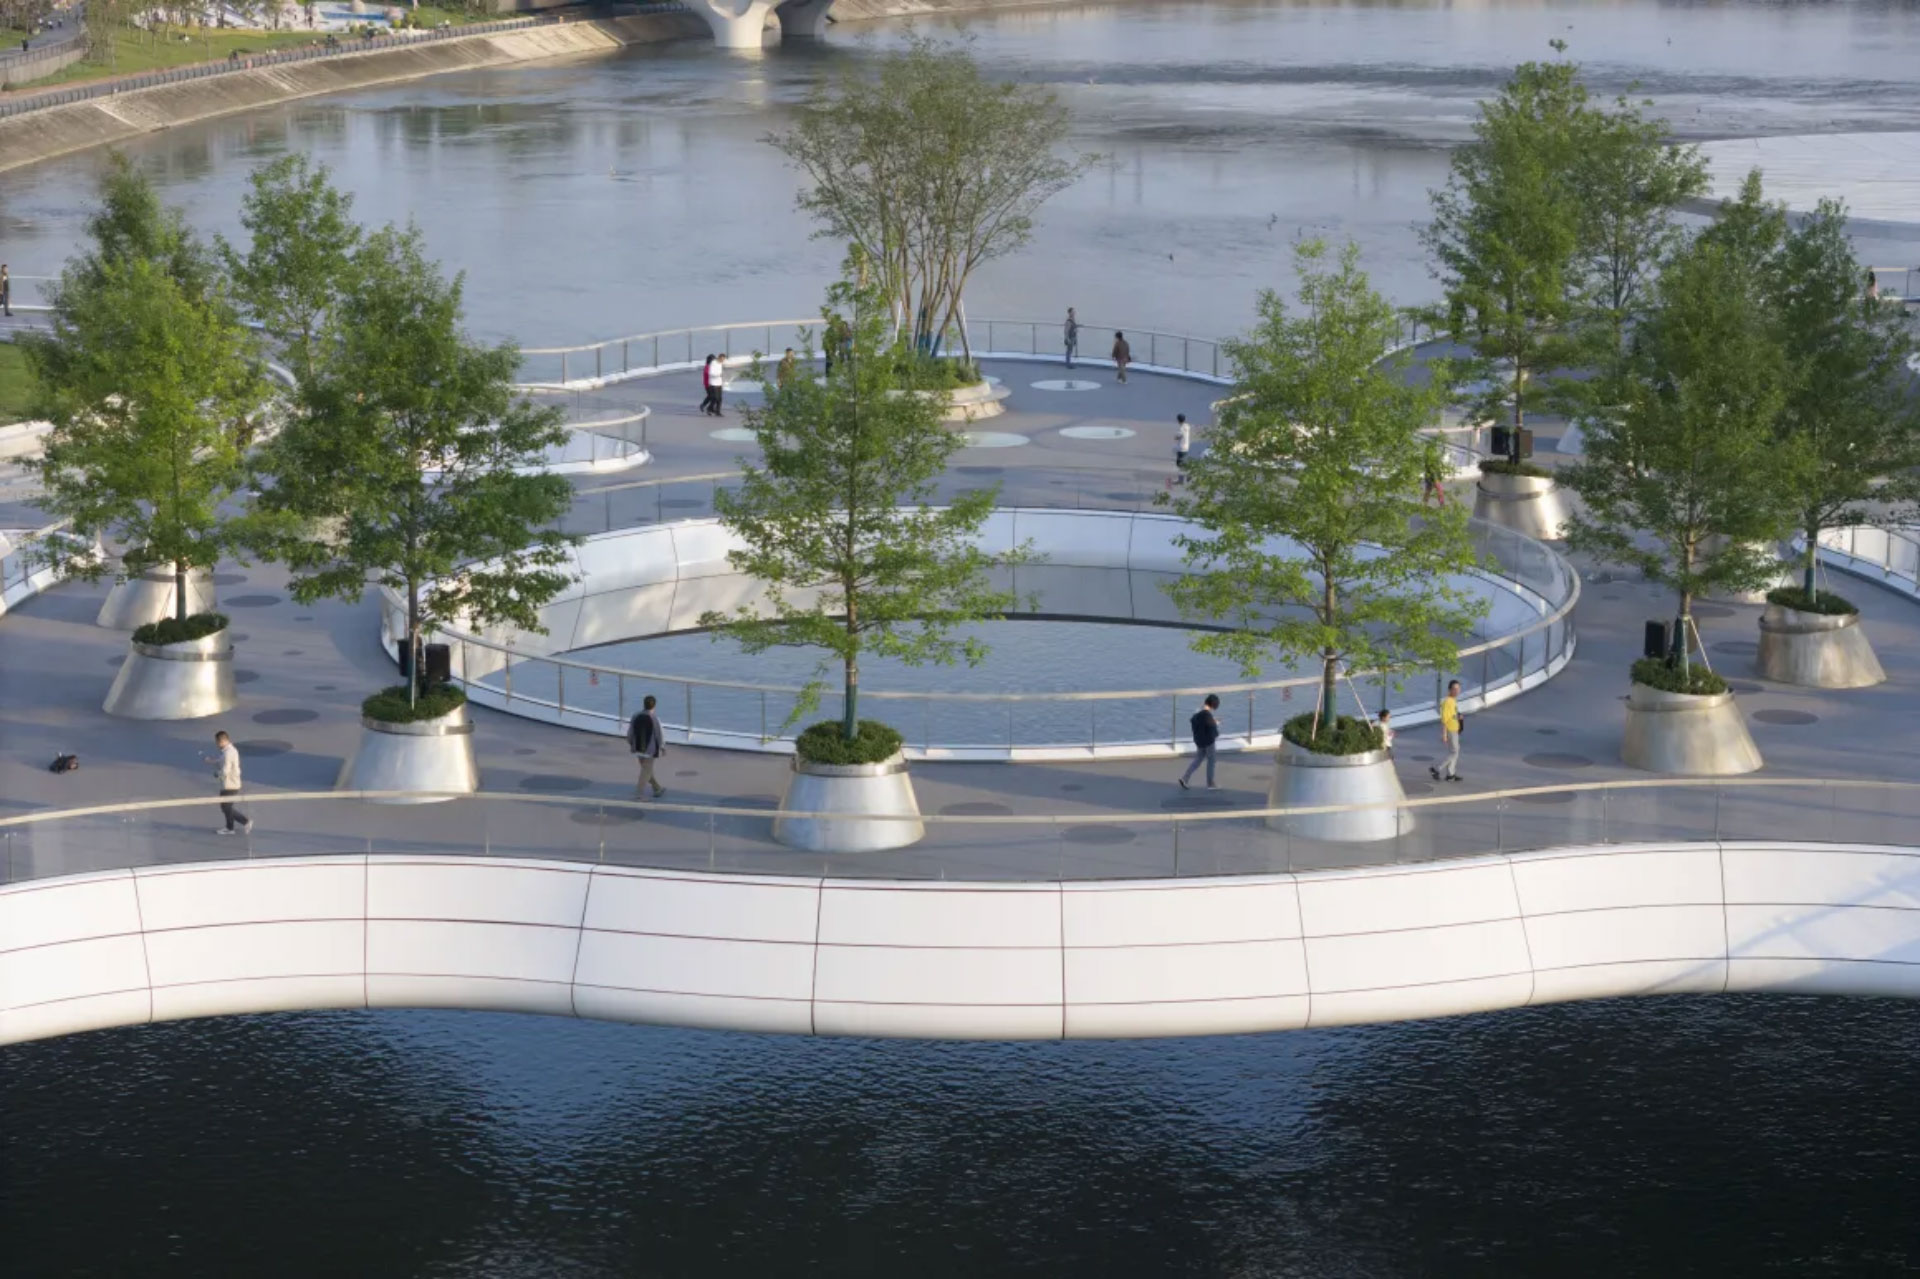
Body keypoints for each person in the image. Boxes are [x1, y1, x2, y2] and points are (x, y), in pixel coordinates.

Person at [204, 731, 252, 834]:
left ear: (222, 741)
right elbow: (222, 761)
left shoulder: (228, 753)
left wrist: (217, 774)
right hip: (231, 784)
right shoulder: (229, 751)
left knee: (226, 807)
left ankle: (236, 826)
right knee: (226, 807)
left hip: (230, 785)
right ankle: (236, 825)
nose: (216, 744)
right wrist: (211, 761)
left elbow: (225, 770)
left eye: (217, 742)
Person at [1177, 693, 1222, 791]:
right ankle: (1210, 784)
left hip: (1199, 741)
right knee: (1211, 761)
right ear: (1213, 705)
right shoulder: (1207, 715)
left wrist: (1212, 721)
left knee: (1197, 760)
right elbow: (1211, 728)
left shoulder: (1198, 713)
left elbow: (1198, 722)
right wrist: (1216, 724)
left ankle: (1185, 778)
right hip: (1208, 742)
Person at [627, 695, 666, 798]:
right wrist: (662, 747)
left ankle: (657, 788)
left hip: (637, 747)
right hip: (650, 750)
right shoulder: (655, 719)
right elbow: (659, 734)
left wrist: (631, 743)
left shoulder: (635, 715)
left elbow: (630, 732)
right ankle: (639, 794)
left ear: (643, 704)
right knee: (646, 771)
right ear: (654, 706)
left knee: (646, 769)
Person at [1431, 679, 1463, 782]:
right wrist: (1444, 734)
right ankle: (1437, 769)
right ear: (1450, 690)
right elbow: (1444, 719)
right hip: (1450, 730)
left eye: (1458, 688)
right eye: (1455, 689)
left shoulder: (1453, 700)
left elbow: (1452, 715)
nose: (1457, 691)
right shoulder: (1448, 702)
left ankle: (1451, 774)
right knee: (1454, 752)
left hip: (1454, 729)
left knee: (1455, 751)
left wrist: (1458, 717)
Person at [1174, 413, 1191, 478]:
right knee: (1182, 463)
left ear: (1178, 420)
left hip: (1181, 448)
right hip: (1186, 447)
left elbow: (1178, 436)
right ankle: (1181, 478)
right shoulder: (1187, 426)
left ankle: (1188, 474)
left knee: (1180, 464)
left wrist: (1175, 437)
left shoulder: (1181, 429)